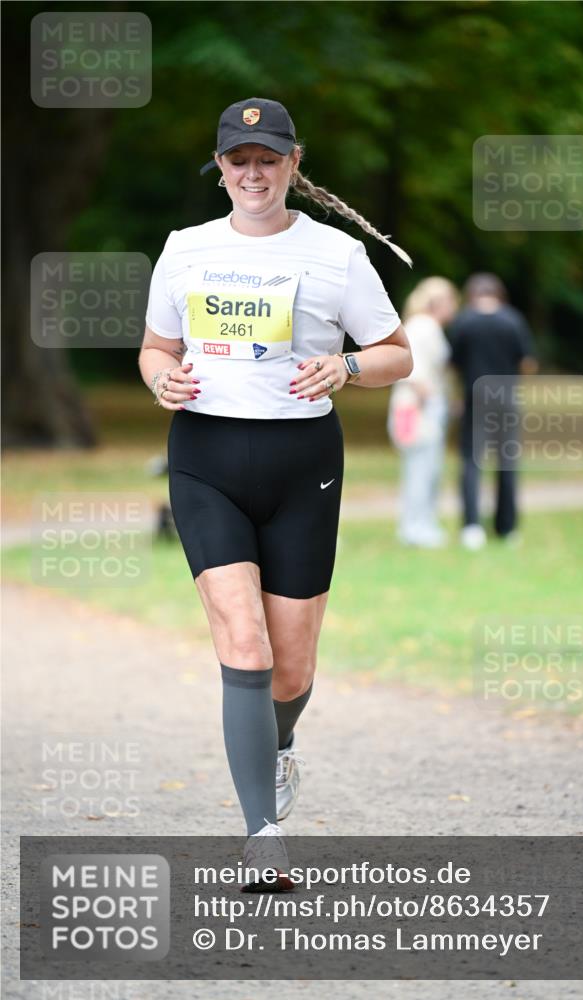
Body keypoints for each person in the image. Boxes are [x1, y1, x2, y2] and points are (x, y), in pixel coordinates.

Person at [138, 97, 412, 890]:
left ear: (294, 164)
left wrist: (348, 368)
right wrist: (164, 380)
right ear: (219, 170)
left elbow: (398, 353)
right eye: (238, 160)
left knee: (289, 672)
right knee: (243, 646)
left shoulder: (336, 254)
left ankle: (279, 744)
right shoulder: (185, 250)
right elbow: (156, 349)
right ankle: (261, 834)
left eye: (267, 159)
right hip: (205, 456)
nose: (252, 173)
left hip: (302, 465)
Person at [447, 273, 537, 550]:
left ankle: (472, 527)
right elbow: (528, 363)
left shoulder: (464, 321)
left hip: (475, 398)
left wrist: (457, 395)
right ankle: (506, 527)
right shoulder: (513, 320)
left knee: (471, 463)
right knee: (507, 463)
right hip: (506, 399)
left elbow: (453, 365)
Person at [387, 277, 458, 547]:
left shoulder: (425, 327)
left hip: (421, 407)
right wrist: (435, 400)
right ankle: (415, 528)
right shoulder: (422, 327)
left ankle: (422, 524)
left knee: (427, 469)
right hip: (416, 409)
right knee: (420, 469)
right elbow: (414, 373)